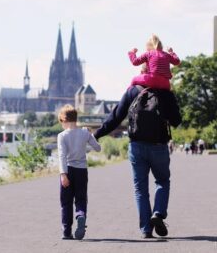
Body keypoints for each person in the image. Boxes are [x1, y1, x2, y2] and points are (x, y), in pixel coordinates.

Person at [94, 86, 181, 239]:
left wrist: (96, 135)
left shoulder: (133, 91)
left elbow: (115, 118)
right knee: (162, 181)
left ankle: (146, 229)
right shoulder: (165, 92)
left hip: (137, 147)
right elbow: (176, 121)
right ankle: (158, 213)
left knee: (140, 189)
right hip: (159, 146)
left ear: (142, 71)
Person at [57, 104, 101, 240]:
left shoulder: (62, 136)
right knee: (81, 198)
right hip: (82, 170)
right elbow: (98, 148)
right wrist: (89, 134)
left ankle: (66, 231)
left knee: (66, 202)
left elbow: (62, 156)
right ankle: (80, 214)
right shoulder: (84, 133)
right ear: (75, 118)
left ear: (64, 119)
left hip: (68, 170)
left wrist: (63, 174)